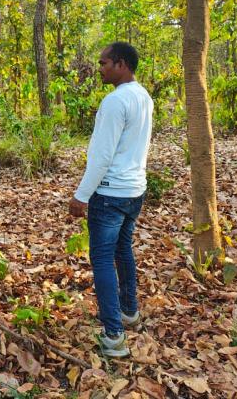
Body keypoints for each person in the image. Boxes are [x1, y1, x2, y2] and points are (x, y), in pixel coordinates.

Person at [69, 42, 153, 358]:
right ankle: (129, 311)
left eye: (103, 63)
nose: (99, 68)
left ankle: (114, 336)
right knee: (122, 250)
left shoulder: (115, 101)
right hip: (133, 190)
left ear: (120, 64)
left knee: (103, 258)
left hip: (110, 192)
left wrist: (81, 195)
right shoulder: (143, 96)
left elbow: (102, 156)